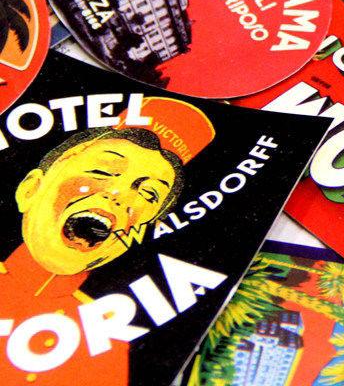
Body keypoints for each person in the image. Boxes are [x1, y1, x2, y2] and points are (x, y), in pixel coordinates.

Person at [0, 97, 214, 385]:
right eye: (102, 171)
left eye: (149, 194)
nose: (119, 195)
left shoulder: (106, 346)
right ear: (30, 189)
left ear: (137, 235)